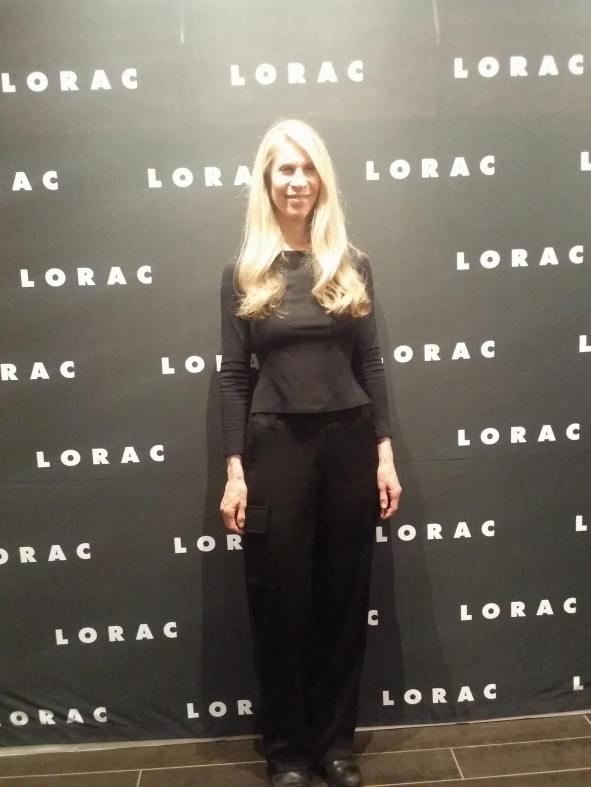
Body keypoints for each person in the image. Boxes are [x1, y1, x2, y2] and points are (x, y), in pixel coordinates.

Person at [218, 118, 401, 787]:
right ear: (266, 181)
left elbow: (370, 363)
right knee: (280, 603)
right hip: (276, 451)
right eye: (284, 169)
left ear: (322, 178)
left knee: (343, 602)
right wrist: (235, 471)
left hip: (348, 444)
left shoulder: (352, 266)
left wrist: (384, 452)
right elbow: (234, 378)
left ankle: (335, 745)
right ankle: (288, 752)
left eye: (307, 168)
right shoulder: (244, 273)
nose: (297, 181)